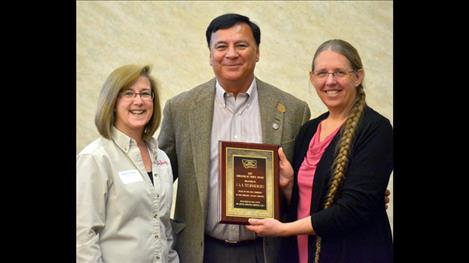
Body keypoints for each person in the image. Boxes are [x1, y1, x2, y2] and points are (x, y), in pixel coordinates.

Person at [158, 13, 311, 263]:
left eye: (241, 45)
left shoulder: (293, 110)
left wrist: (351, 191)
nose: (231, 54)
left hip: (267, 251)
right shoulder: (181, 109)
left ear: (258, 52)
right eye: (221, 46)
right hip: (201, 251)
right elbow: (158, 179)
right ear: (210, 55)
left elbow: (308, 184)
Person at [246, 39, 393, 263]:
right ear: (312, 78)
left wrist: (283, 229)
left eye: (339, 72)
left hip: (354, 252)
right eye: (322, 73)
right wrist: (288, 185)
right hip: (304, 251)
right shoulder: (309, 130)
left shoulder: (376, 129)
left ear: (358, 76)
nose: (330, 81)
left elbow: (353, 209)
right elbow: (308, 200)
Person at [76, 64, 179, 263]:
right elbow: (83, 235)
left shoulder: (161, 159)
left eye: (145, 94)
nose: (138, 101)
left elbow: (163, 228)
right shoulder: (96, 158)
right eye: (128, 93)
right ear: (113, 102)